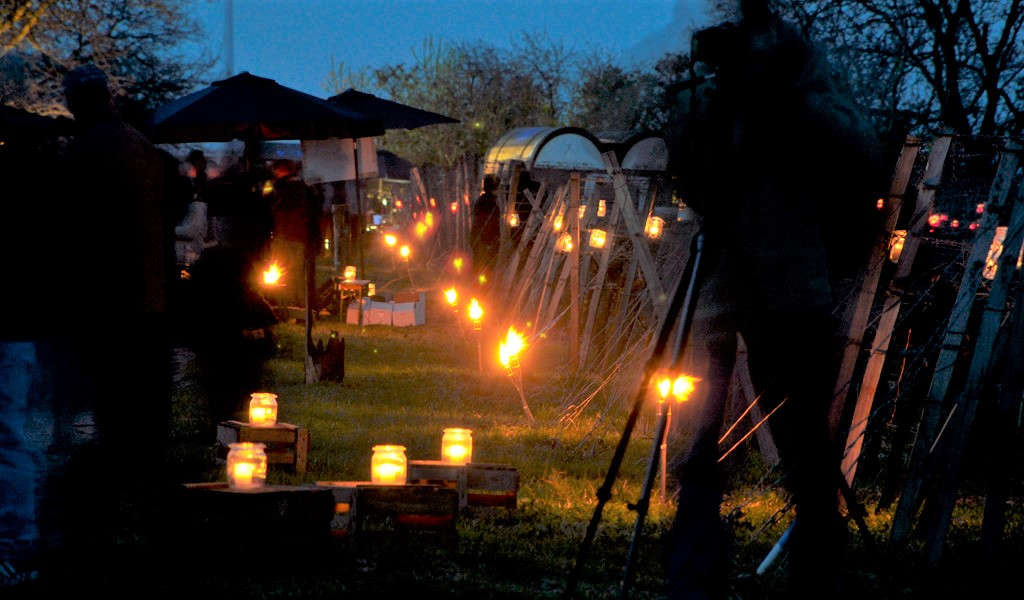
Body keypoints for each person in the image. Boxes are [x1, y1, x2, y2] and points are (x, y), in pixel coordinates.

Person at [664, 1, 884, 597]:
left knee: (799, 440)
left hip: (788, 290)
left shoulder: (808, 104)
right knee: (705, 431)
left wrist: (775, 98)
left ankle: (811, 566)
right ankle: (699, 564)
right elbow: (690, 174)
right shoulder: (732, 102)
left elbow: (860, 161)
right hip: (738, 284)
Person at [470, 174, 501, 289]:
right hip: (484, 241)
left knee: (479, 266)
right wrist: (490, 242)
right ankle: (482, 289)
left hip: (478, 239)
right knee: (485, 267)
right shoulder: (489, 203)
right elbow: (488, 224)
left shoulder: (482, 200)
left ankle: (478, 288)